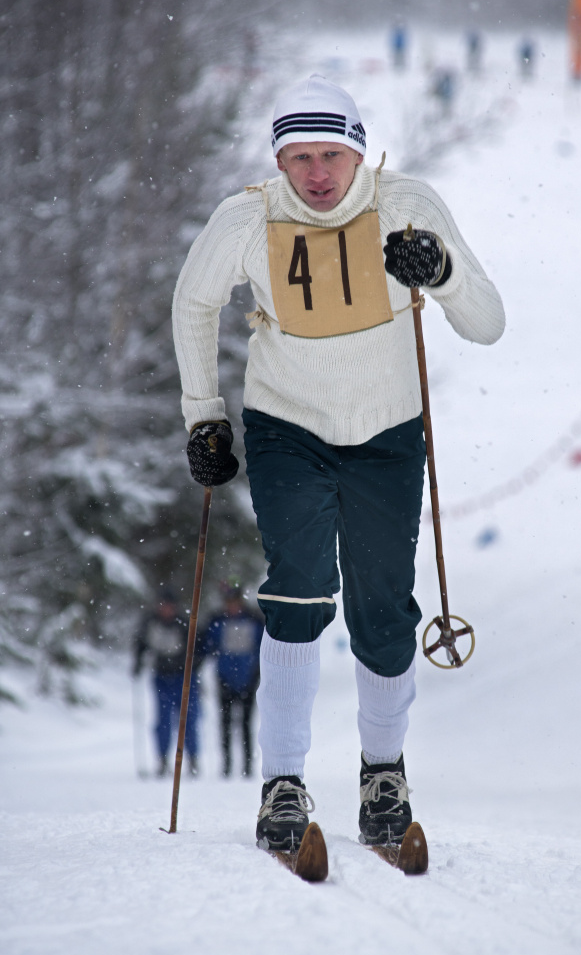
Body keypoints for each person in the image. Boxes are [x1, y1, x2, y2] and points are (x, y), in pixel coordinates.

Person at [172, 74, 505, 851]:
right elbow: (193, 302)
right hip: (287, 426)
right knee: (297, 590)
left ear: (358, 152)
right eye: (299, 157)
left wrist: (441, 273)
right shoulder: (246, 218)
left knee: (384, 608)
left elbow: (487, 323)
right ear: (278, 161)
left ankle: (381, 777)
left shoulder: (407, 205)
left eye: (331, 154)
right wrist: (204, 418)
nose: (317, 174)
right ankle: (282, 784)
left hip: (387, 433)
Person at [132, 588, 201, 777]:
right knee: (162, 720)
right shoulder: (150, 623)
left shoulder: (184, 624)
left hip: (183, 677)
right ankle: (162, 759)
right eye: (163, 605)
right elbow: (140, 643)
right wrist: (137, 662)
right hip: (161, 676)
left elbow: (198, 647)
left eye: (169, 606)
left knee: (187, 720)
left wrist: (194, 665)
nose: (166, 609)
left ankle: (192, 759)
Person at [201, 584, 263, 778]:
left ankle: (247, 765)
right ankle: (227, 764)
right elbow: (206, 645)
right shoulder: (217, 621)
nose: (232, 606)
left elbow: (264, 647)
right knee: (225, 723)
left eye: (235, 602)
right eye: (229, 602)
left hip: (248, 678)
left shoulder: (254, 620)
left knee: (245, 724)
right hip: (225, 679)